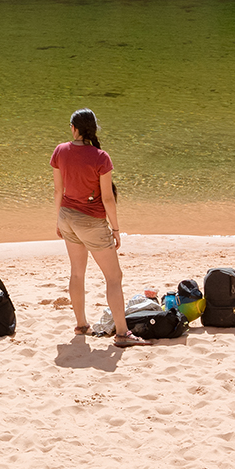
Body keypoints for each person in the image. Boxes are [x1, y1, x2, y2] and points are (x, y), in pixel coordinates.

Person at [50, 108, 150, 348]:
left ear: (73, 128)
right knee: (114, 277)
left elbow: (57, 191)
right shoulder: (100, 157)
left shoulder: (60, 151)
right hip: (90, 221)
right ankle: (123, 334)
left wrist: (57, 221)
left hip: (66, 217)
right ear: (93, 130)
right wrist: (116, 229)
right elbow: (107, 199)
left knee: (77, 272)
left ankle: (81, 324)